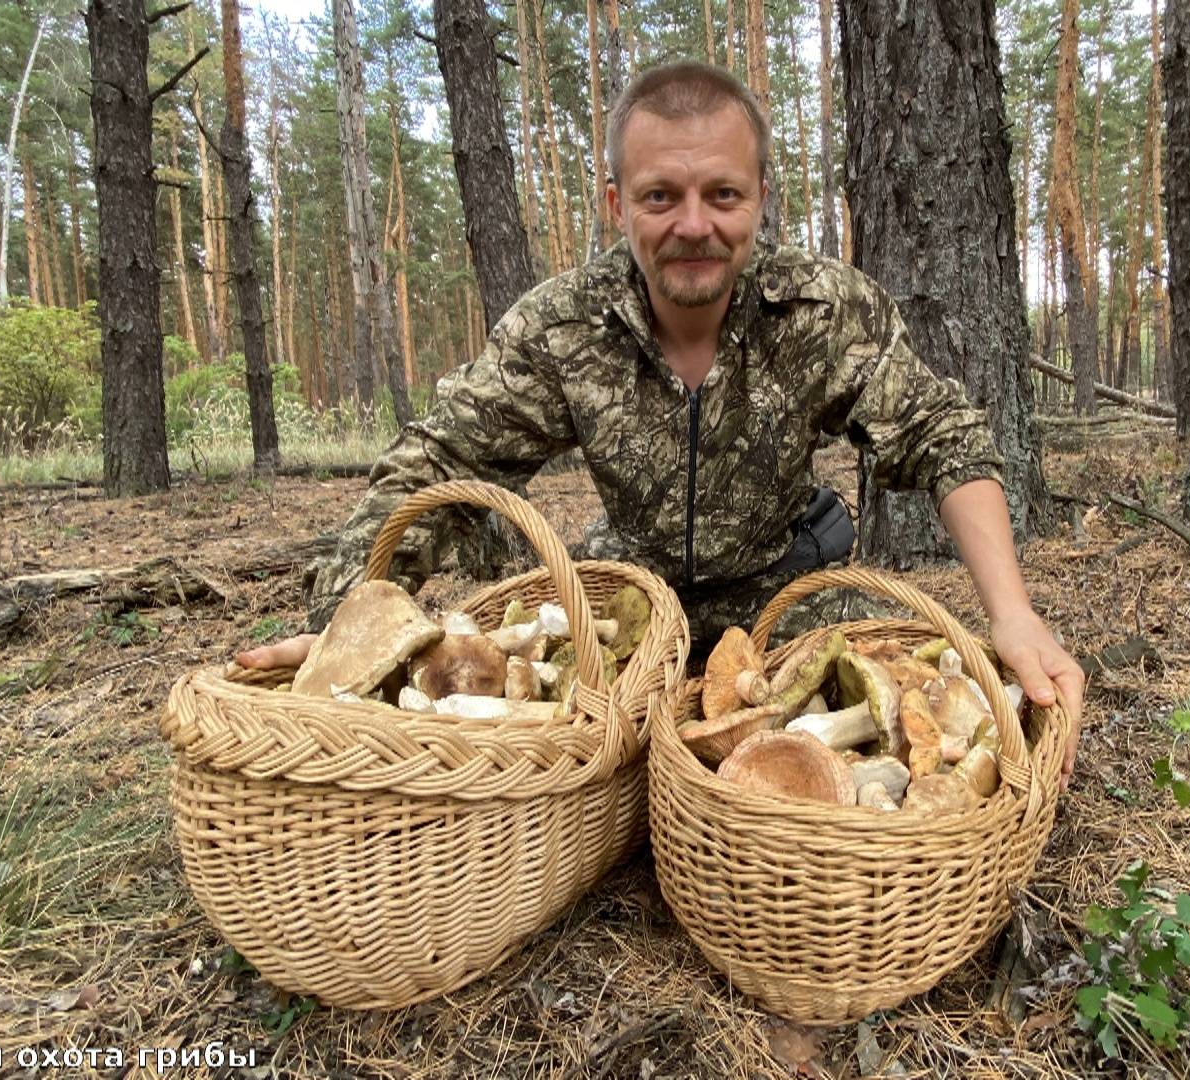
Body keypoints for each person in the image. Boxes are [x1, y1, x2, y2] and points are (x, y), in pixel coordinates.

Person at [237, 61, 1084, 776]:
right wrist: (341, 632)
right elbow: (438, 465)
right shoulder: (563, 329)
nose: (694, 226)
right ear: (617, 203)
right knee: (560, 760)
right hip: (627, 603)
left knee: (835, 761)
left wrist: (1011, 614)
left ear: (758, 198)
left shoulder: (822, 311)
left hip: (783, 595)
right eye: (660, 196)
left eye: (722, 194)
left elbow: (943, 436)